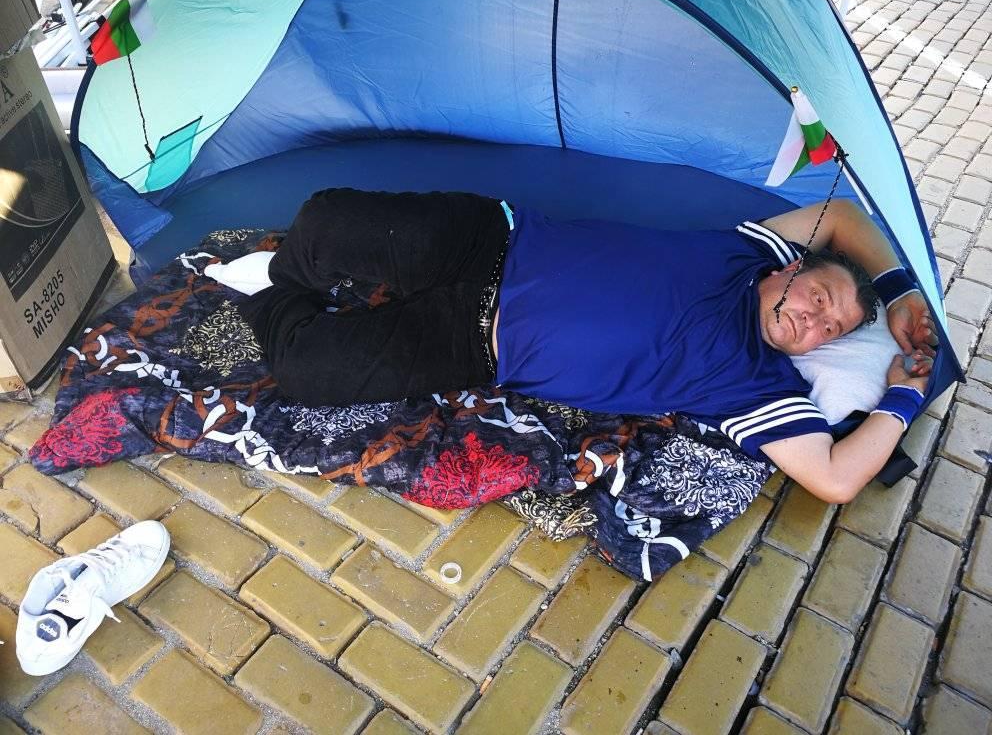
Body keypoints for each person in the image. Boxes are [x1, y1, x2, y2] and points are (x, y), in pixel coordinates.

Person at [228, 188, 937, 505]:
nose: (814, 324)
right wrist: (902, 293)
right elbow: (845, 217)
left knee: (307, 371)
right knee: (323, 221)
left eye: (830, 331)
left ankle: (267, 286)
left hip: (471, 342)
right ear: (792, 266)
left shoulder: (758, 384)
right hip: (488, 242)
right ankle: (298, 271)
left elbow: (836, 480)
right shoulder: (744, 253)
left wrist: (904, 396)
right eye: (821, 299)